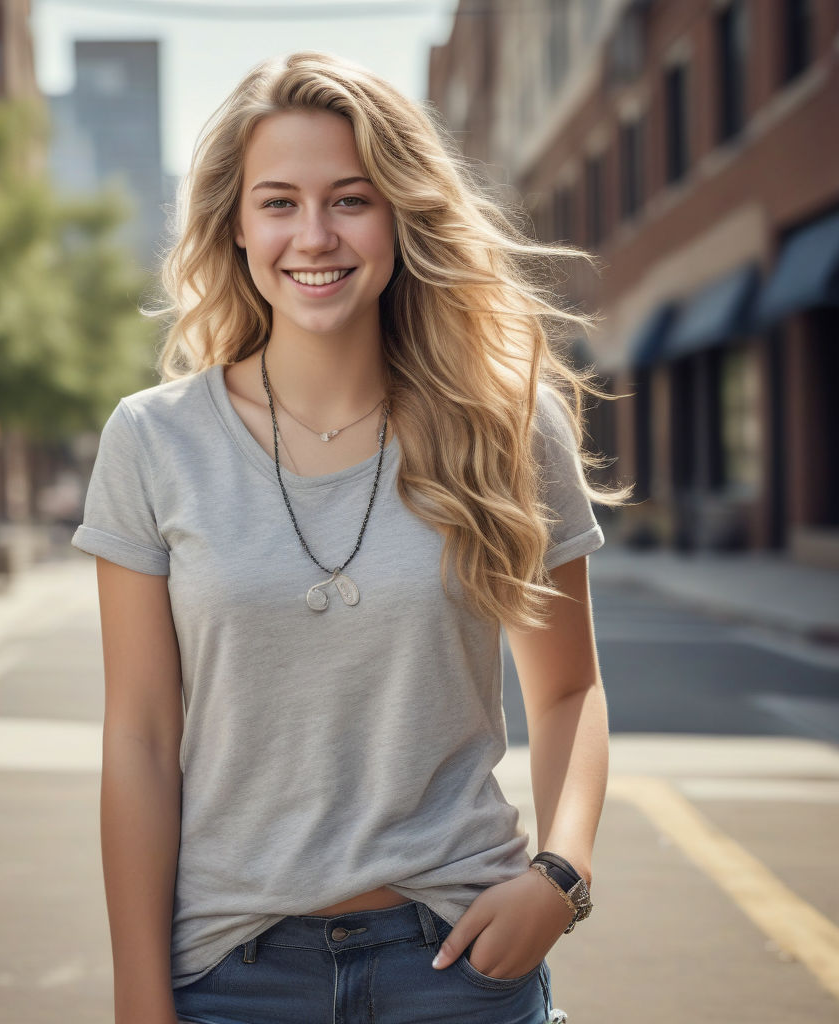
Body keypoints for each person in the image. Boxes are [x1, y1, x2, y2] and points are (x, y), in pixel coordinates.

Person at [71, 51, 626, 1024]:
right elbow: (141, 740)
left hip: (457, 963)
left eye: (350, 199)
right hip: (228, 971)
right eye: (279, 201)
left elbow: (568, 690)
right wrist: (138, 1001)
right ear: (236, 225)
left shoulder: (506, 426)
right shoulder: (153, 440)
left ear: (400, 216)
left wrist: (560, 874)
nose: (314, 235)